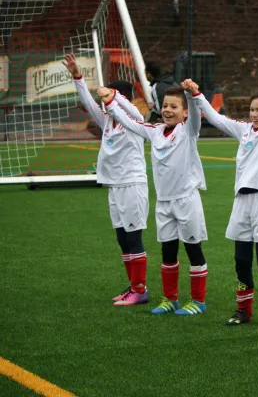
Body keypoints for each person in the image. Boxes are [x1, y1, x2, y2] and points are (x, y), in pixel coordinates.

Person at [98, 79, 209, 316]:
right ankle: (171, 299)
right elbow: (129, 122)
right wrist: (111, 103)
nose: (169, 110)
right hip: (164, 203)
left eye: (174, 107)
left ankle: (198, 301)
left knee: (193, 250)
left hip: (187, 200)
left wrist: (191, 95)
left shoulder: (188, 131)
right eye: (166, 105)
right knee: (168, 253)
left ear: (184, 112)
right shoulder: (155, 131)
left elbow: (196, 116)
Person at [195, 74, 258, 328]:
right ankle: (243, 311)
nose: (255, 114)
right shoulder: (245, 130)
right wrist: (197, 95)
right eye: (252, 109)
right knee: (241, 259)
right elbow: (216, 119)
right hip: (241, 201)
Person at [63, 53, 149, 306]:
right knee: (122, 238)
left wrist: (115, 97)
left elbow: (130, 108)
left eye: (109, 96)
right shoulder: (107, 120)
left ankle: (141, 290)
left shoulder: (135, 120)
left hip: (132, 184)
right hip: (114, 186)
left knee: (134, 237)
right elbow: (88, 103)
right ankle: (133, 287)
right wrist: (77, 76)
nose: (103, 101)